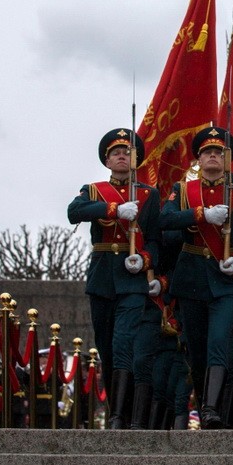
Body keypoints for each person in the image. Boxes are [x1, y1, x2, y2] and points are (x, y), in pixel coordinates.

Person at [159, 126, 233, 430]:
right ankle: (204, 402)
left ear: (227, 161)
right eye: (207, 152)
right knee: (197, 349)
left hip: (224, 283)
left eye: (219, 152)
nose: (213, 156)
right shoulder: (182, 190)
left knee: (218, 342)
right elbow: (165, 219)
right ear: (199, 159)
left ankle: (211, 409)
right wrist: (201, 215)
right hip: (192, 278)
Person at [67, 128, 161, 429]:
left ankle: (121, 416)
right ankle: (116, 410)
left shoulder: (148, 194)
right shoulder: (93, 190)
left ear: (136, 160)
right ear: (107, 161)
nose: (122, 155)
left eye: (127, 152)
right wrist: (114, 209)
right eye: (115, 153)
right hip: (103, 275)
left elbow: (157, 240)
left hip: (131, 278)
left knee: (124, 343)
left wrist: (145, 260)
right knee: (106, 346)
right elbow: (74, 212)